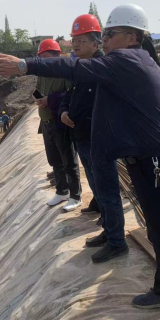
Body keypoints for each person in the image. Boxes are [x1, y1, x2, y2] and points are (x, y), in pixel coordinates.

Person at [0, 4, 160, 320]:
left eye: (110, 34)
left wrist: (24, 64)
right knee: (158, 233)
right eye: (103, 34)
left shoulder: (127, 60)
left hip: (156, 165)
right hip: (149, 162)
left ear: (131, 37)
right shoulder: (137, 61)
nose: (104, 39)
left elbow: (73, 67)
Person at [58, 14, 103, 215]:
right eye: (73, 40)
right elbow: (70, 93)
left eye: (80, 40)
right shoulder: (80, 66)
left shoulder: (102, 67)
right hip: (81, 132)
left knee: (100, 175)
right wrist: (64, 111)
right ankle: (98, 201)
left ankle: (107, 216)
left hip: (97, 134)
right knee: (91, 172)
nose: (75, 45)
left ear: (95, 43)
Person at [35, 39, 82, 212]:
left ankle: (75, 195)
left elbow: (71, 94)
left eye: (45, 56)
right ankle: (62, 190)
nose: (43, 60)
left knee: (68, 160)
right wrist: (38, 98)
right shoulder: (42, 73)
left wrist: (50, 100)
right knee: (54, 159)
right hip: (46, 121)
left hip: (60, 123)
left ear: (56, 55)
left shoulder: (64, 71)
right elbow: (37, 89)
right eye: (41, 57)